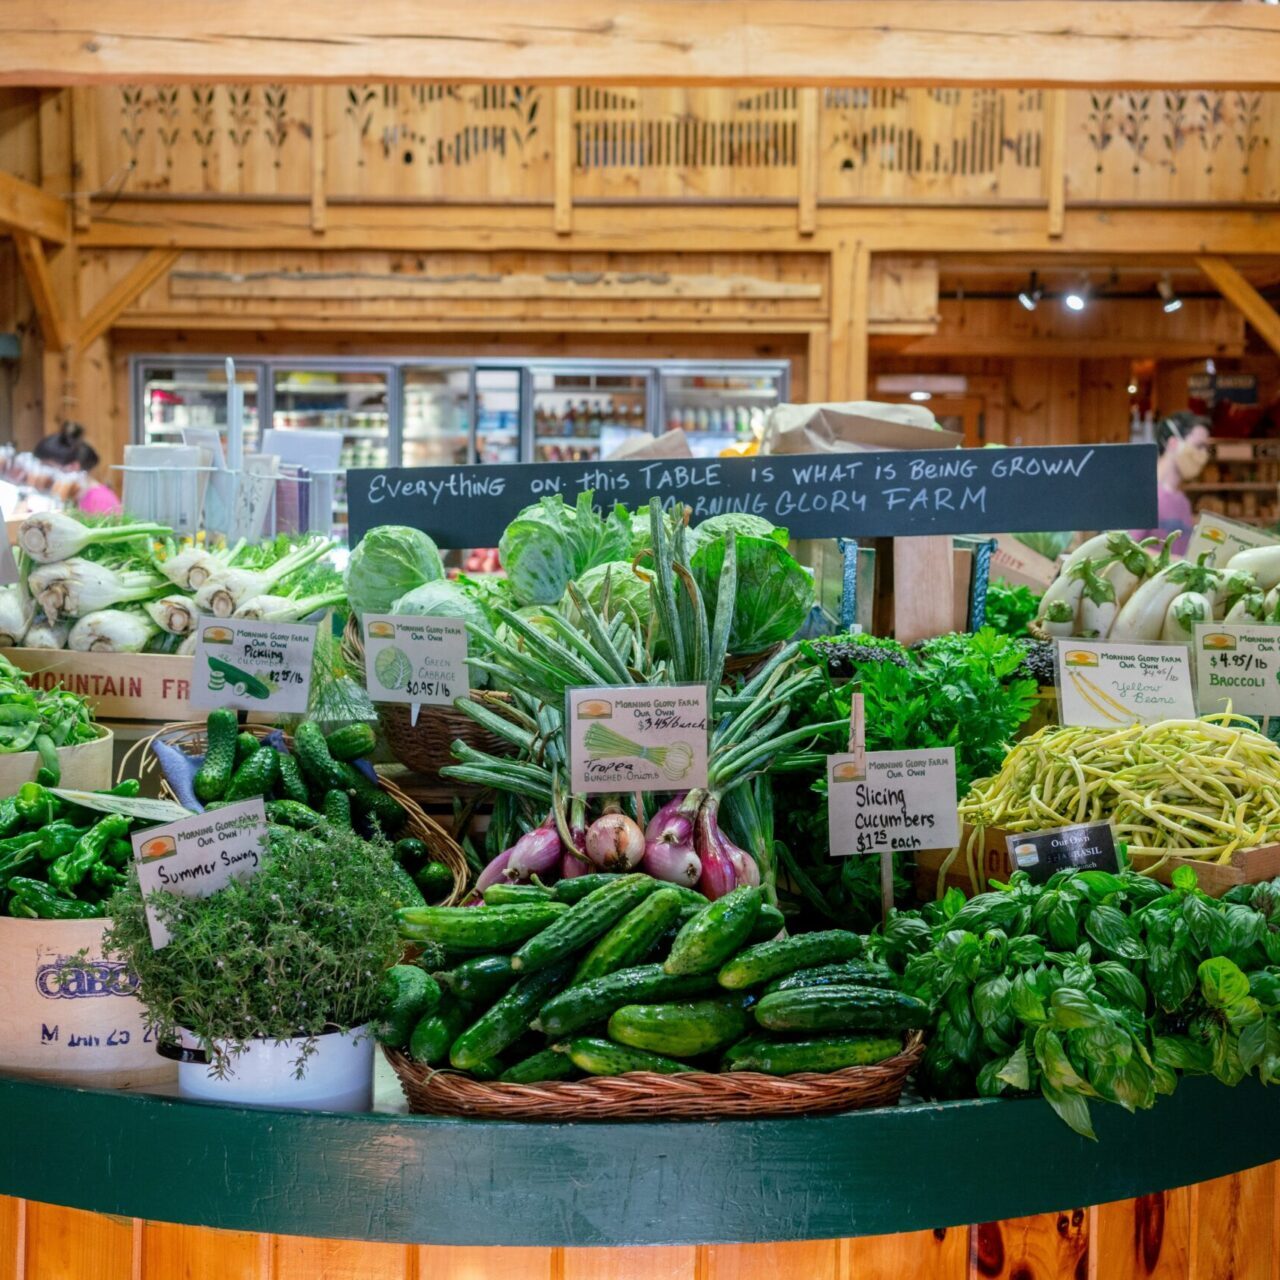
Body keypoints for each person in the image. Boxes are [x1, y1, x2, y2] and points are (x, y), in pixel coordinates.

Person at [1129, 412, 1210, 557]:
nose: (1204, 455)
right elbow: (1126, 549)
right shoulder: (1143, 493)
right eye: (1199, 446)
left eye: (1206, 448)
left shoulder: (1183, 502)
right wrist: (1174, 562)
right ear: (1173, 443)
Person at [33, 422, 122, 516]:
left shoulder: (100, 500)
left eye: (48, 466)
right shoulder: (77, 497)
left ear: (73, 466)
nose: (43, 472)